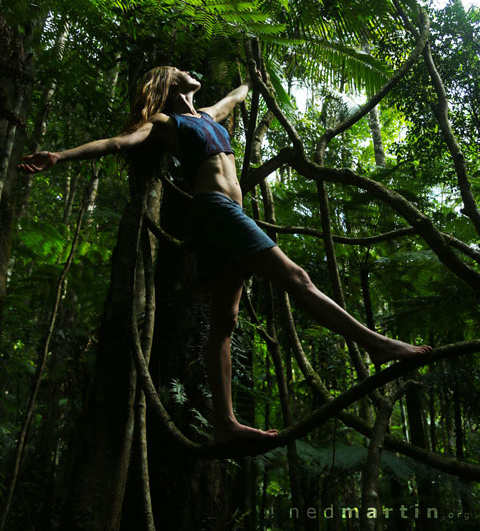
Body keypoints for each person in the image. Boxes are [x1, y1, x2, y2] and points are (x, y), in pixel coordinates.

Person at [18, 66, 431, 444]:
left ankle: (225, 424)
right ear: (169, 84)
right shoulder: (165, 122)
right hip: (214, 211)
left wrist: (253, 80)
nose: (189, 71)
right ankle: (376, 345)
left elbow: (237, 97)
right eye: (180, 70)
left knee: (225, 322)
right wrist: (59, 156)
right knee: (298, 278)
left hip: (225, 216)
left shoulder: (209, 115)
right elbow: (117, 142)